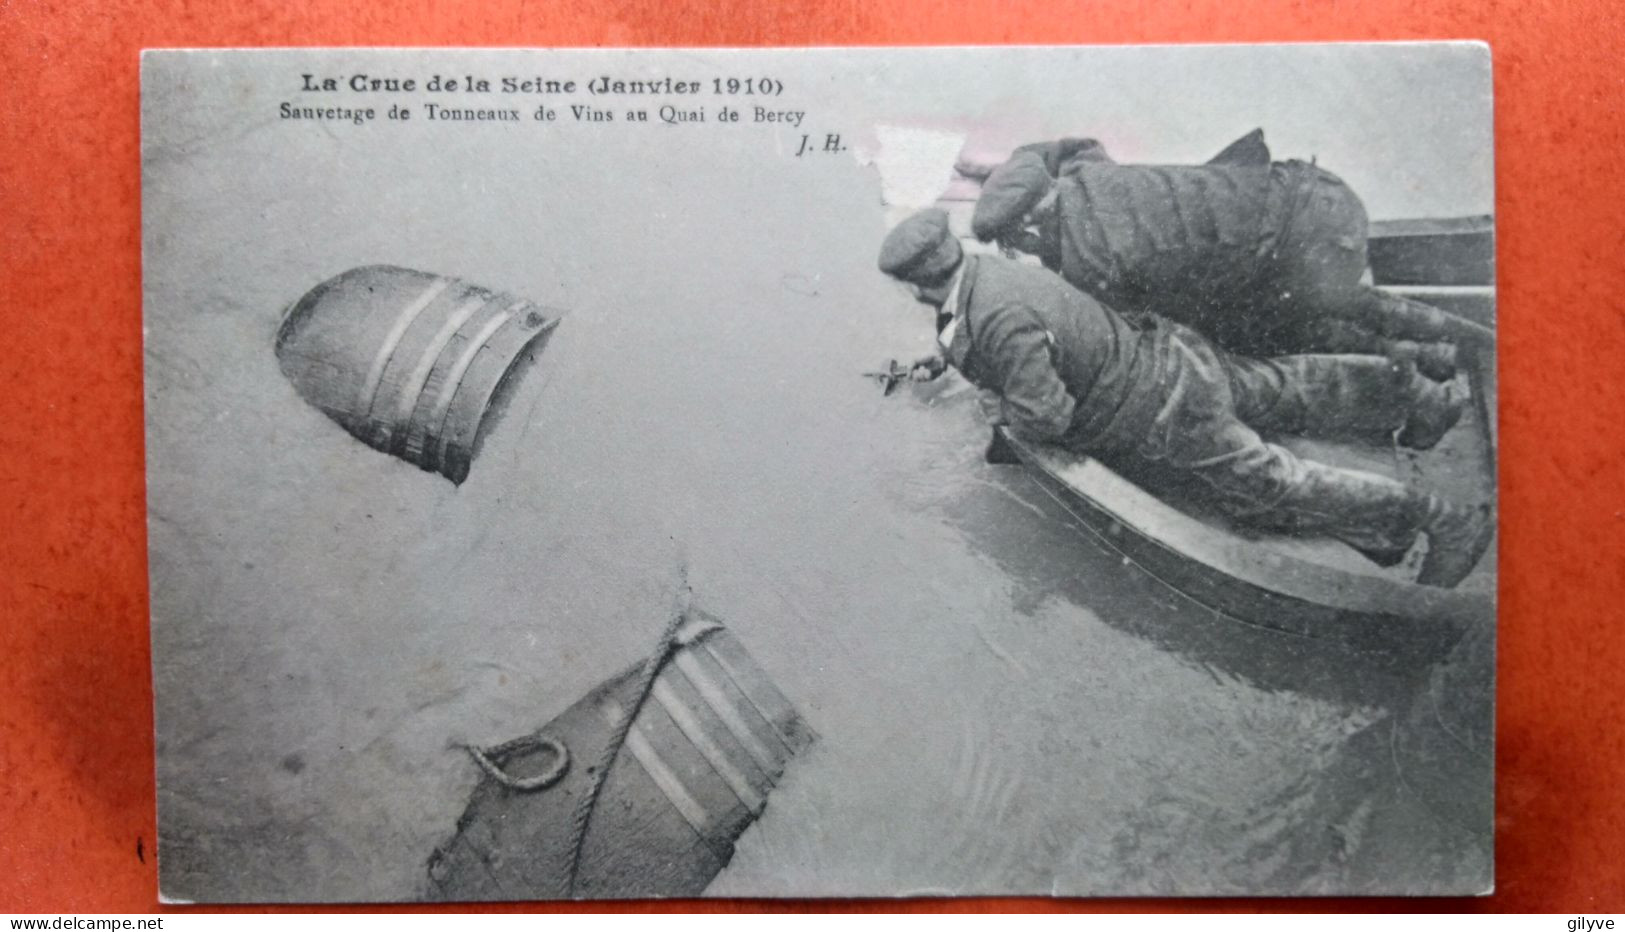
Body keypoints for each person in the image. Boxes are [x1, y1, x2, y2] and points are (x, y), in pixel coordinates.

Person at [878, 208, 1493, 588]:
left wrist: (999, 407)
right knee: (1286, 388)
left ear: (912, 285)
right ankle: (1418, 396)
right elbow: (1033, 329)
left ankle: (1447, 521)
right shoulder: (998, 272)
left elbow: (1048, 413)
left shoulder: (993, 317)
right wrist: (955, 357)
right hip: (1174, 354)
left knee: (1272, 480)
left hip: (1164, 411)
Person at [968, 132, 1489, 380]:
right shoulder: (1085, 169)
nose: (1018, 251)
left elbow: (1133, 331)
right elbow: (1057, 149)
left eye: (1016, 240)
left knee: (1251, 335)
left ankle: (1419, 362)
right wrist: (998, 171)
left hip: (1310, 259)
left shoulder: (1091, 264)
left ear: (1033, 223)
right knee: (1343, 299)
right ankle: (1465, 337)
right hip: (1324, 195)